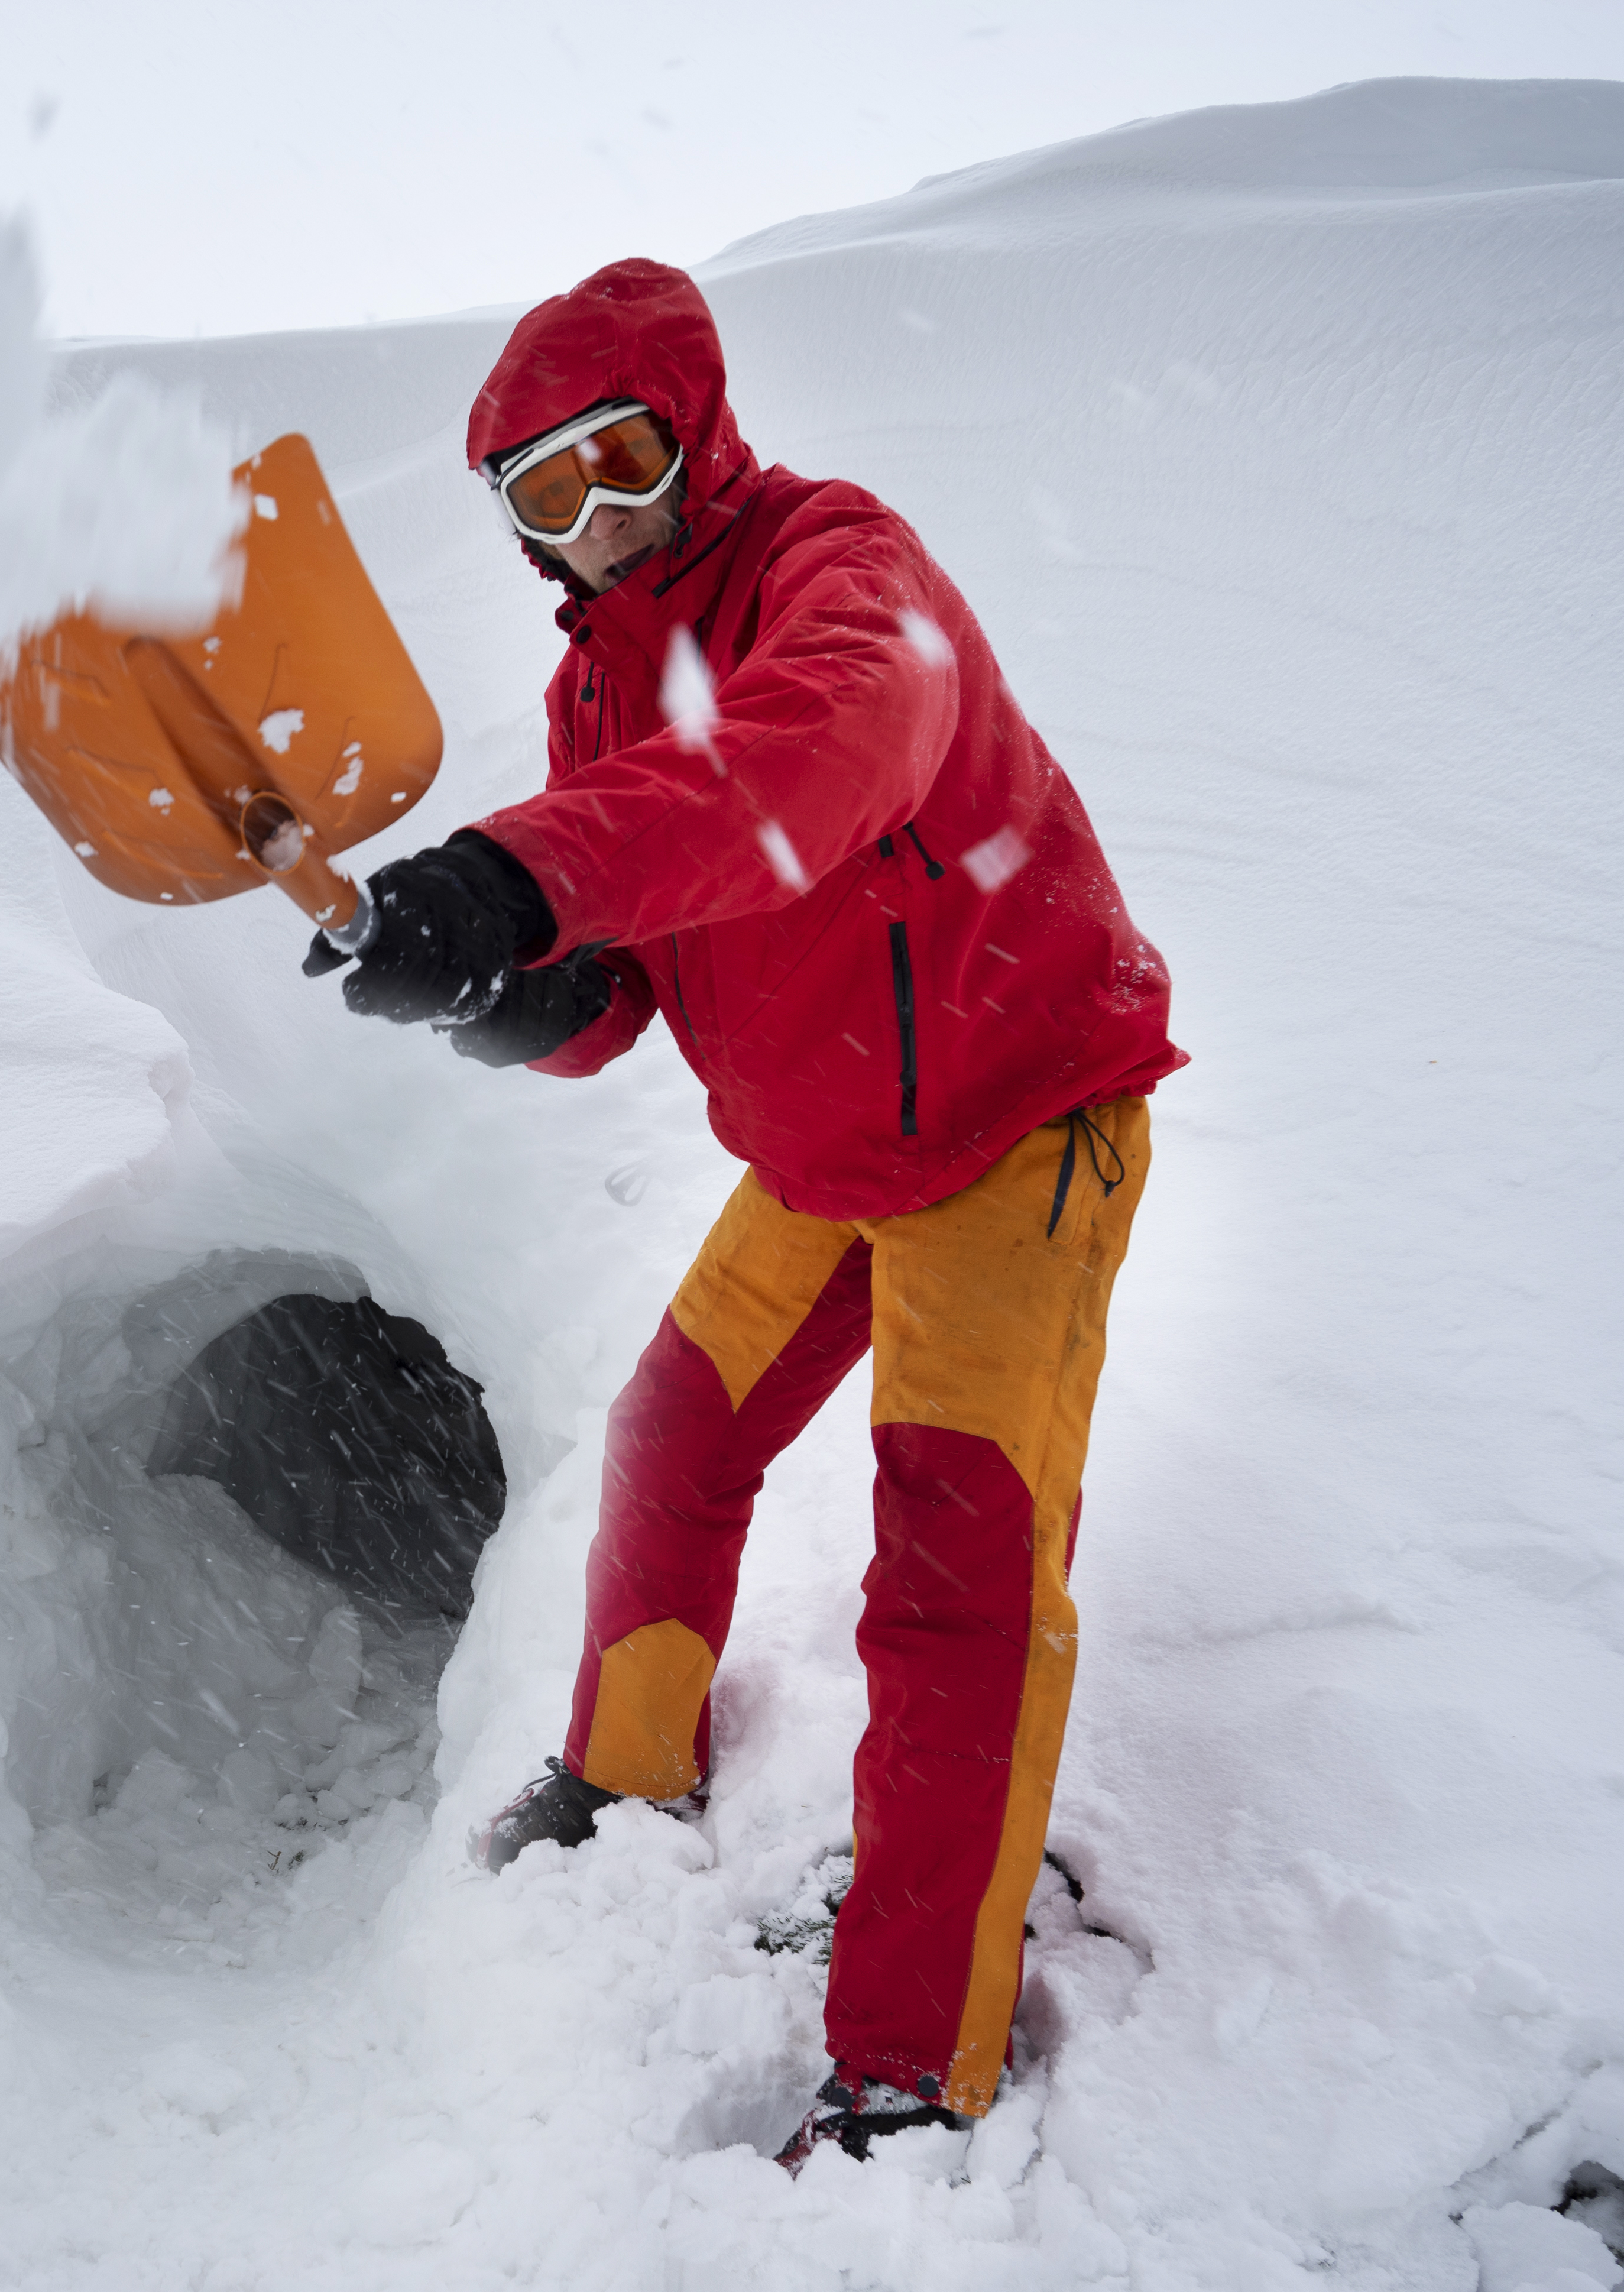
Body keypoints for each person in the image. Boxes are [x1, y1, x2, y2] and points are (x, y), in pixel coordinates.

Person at [310, 258, 1180, 2173]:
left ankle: (911, 2063)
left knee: (952, 1583)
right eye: (545, 499)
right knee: (671, 1438)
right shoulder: (596, 680)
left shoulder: (842, 571)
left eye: (619, 463)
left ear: (694, 431)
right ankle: (624, 1776)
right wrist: (498, 986)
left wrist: (514, 879)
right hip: (829, 1152)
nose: (598, 523)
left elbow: (807, 764)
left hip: (1016, 1123)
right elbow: (622, 971)